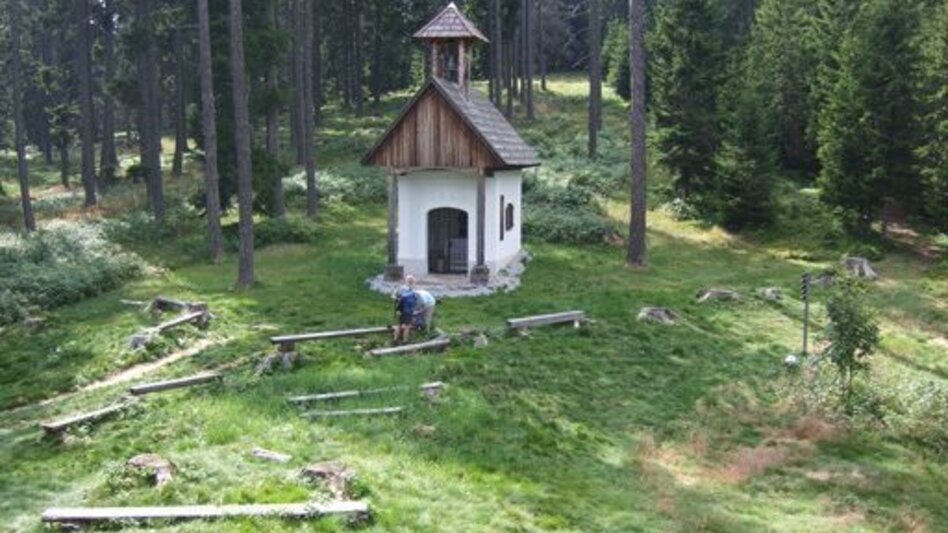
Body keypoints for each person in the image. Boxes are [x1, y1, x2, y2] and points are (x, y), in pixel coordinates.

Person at [392, 276, 417, 343]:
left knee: (398, 325)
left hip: (400, 310)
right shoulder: (413, 292)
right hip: (408, 312)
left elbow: (393, 297)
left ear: (406, 281)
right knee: (407, 326)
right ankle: (405, 341)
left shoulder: (400, 289)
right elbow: (414, 303)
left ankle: (395, 340)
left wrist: (397, 301)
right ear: (413, 282)